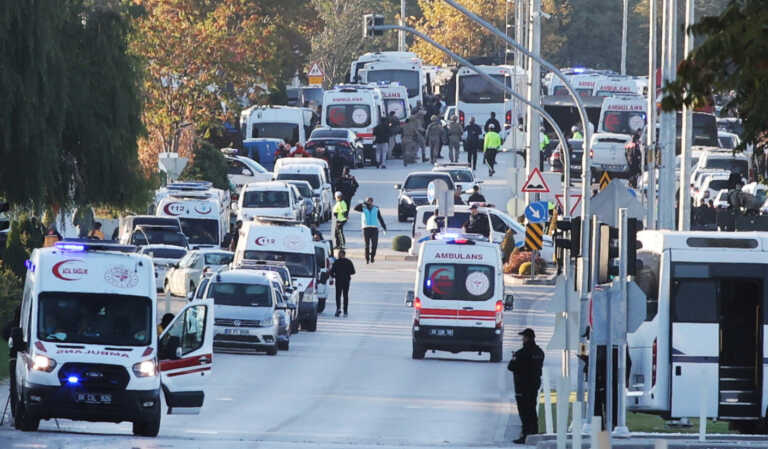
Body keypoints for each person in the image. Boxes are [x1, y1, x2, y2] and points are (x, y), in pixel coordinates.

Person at [508, 328, 544, 444]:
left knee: (524, 412)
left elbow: (511, 367)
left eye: (523, 337)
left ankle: (526, 434)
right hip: (534, 386)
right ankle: (533, 433)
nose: (522, 339)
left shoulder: (521, 353)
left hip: (522, 387)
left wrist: (514, 358)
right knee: (532, 410)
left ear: (527, 338)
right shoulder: (539, 352)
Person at [353, 197, 387, 264]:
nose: (370, 202)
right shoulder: (363, 208)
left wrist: (384, 227)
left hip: (374, 229)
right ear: (366, 202)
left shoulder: (376, 208)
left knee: (374, 245)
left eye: (371, 201)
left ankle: (372, 257)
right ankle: (367, 259)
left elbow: (380, 218)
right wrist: (363, 203)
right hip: (366, 228)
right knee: (367, 245)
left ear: (372, 202)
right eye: (368, 201)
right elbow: (355, 208)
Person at [330, 249, 356, 317]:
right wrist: (347, 273)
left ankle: (338, 309)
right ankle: (345, 311)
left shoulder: (336, 262)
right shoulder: (348, 261)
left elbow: (331, 272)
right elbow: (353, 272)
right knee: (345, 296)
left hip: (339, 280)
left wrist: (335, 276)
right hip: (346, 280)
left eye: (339, 254)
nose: (339, 255)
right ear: (344, 255)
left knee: (338, 295)